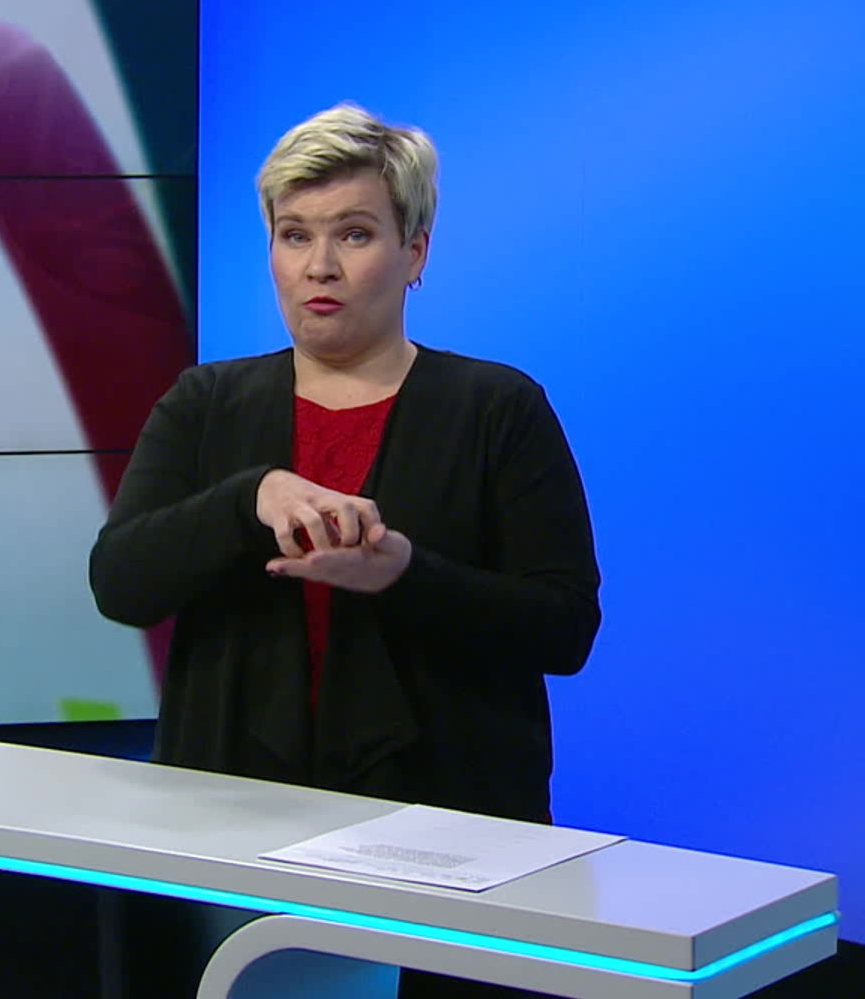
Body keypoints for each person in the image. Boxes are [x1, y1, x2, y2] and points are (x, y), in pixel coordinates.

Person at [90, 103, 600, 826]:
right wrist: (249, 499)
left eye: (354, 234)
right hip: (230, 818)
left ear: (414, 253)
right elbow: (120, 583)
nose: (319, 267)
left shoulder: (498, 408)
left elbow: (565, 628)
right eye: (294, 235)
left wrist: (405, 574)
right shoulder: (205, 403)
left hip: (444, 822)